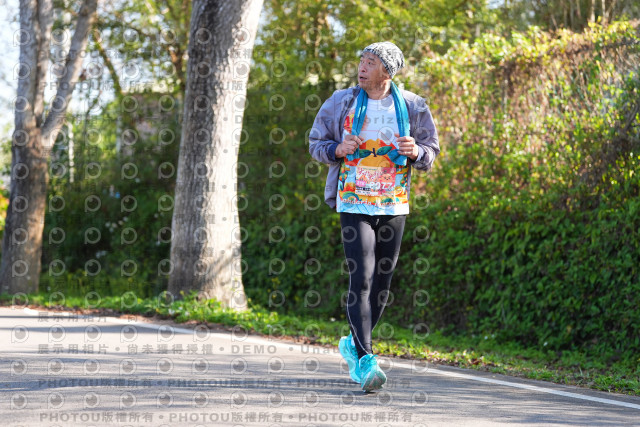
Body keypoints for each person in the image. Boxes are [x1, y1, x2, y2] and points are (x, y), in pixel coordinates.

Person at [309, 41, 440, 392]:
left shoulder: (413, 105)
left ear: (387, 70)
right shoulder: (341, 101)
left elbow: (431, 150)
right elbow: (316, 143)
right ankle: (367, 358)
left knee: (382, 283)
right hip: (353, 202)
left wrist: (416, 151)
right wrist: (337, 148)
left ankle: (353, 345)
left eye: (370, 62)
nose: (362, 67)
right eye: (362, 60)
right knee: (362, 277)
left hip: (393, 204)